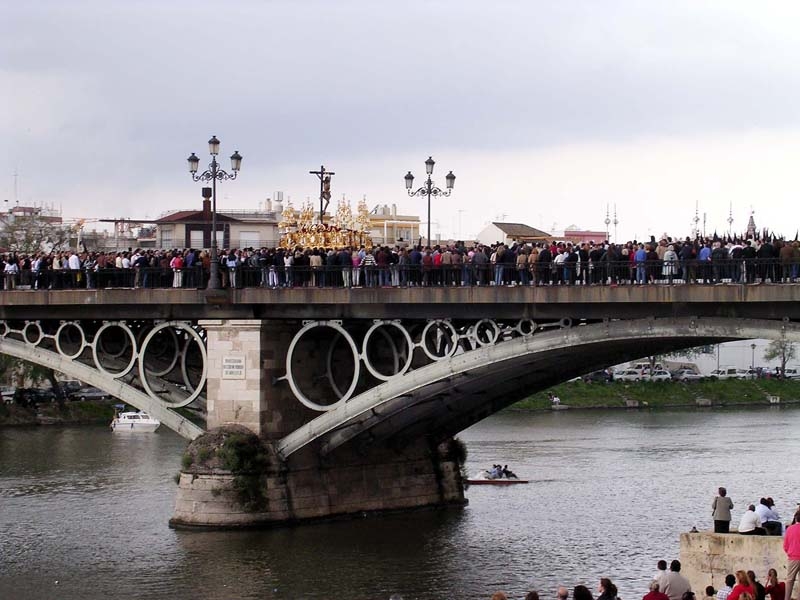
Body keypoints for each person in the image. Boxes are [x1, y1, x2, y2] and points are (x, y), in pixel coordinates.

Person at [784, 512, 800, 600]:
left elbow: (785, 545)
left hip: (793, 557)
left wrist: (789, 552)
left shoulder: (790, 529)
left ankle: (787, 598)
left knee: (790, 580)